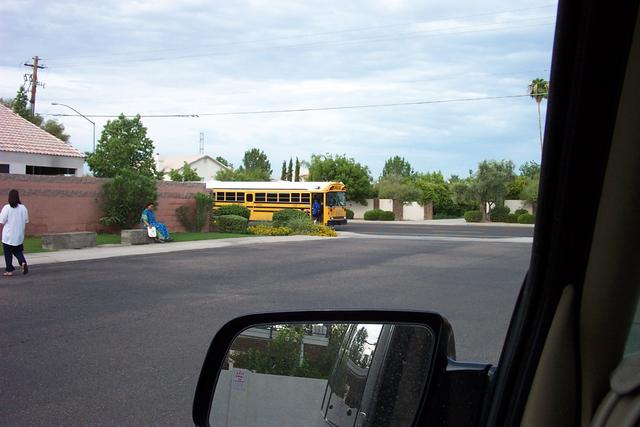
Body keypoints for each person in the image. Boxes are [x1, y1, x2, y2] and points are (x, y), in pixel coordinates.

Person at [1, 189, 29, 276]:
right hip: (19, 235)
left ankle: (9, 270)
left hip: (8, 236)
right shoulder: (23, 208)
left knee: (8, 252)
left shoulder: (7, 208)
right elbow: (26, 220)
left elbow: (2, 221)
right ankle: (23, 262)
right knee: (18, 251)